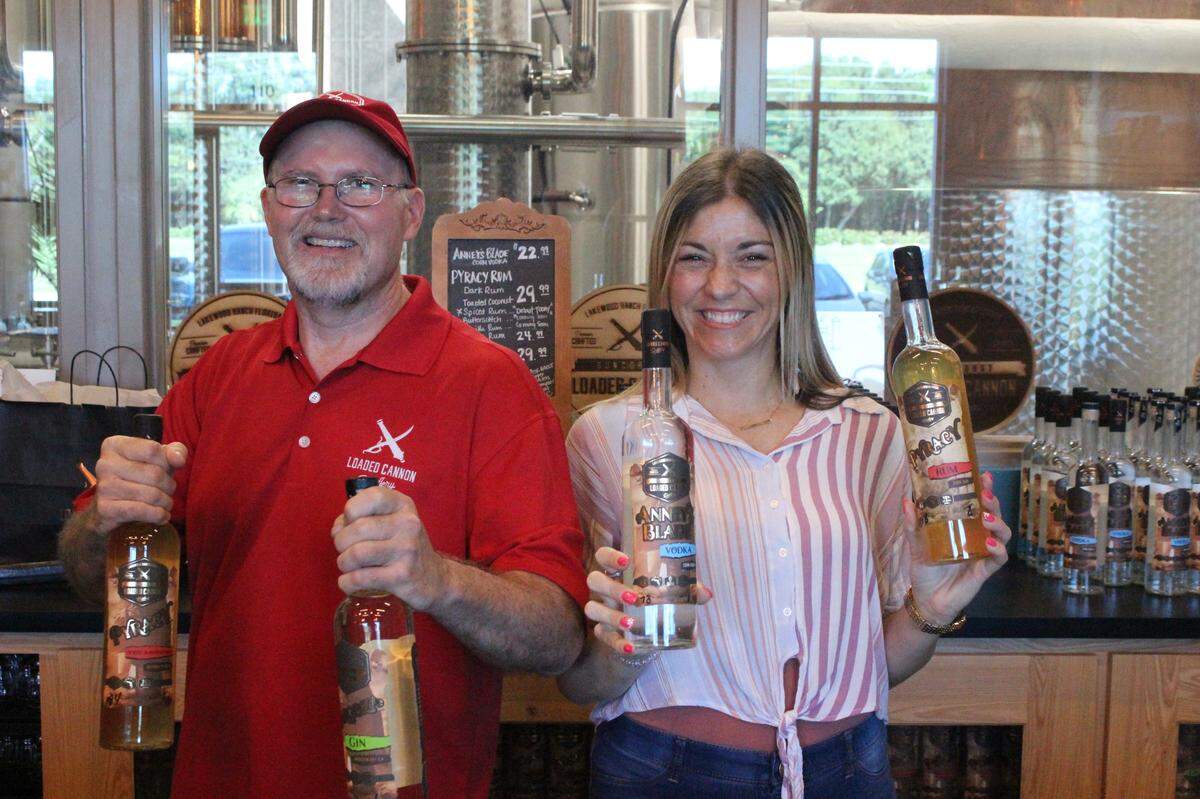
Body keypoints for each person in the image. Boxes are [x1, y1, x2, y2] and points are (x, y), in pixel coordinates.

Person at [58, 91, 587, 798]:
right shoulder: (220, 375)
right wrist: (106, 519)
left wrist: (436, 577)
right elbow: (92, 572)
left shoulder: (493, 387)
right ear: (271, 207)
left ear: (411, 210)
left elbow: (558, 635)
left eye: (361, 184)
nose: (327, 208)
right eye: (301, 183)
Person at [558, 148, 1011, 798]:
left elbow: (876, 665)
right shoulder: (610, 437)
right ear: (664, 273)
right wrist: (624, 647)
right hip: (668, 771)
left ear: (791, 270)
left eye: (752, 255)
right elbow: (577, 682)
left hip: (849, 768)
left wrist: (932, 607)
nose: (720, 284)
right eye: (693, 256)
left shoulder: (872, 433)